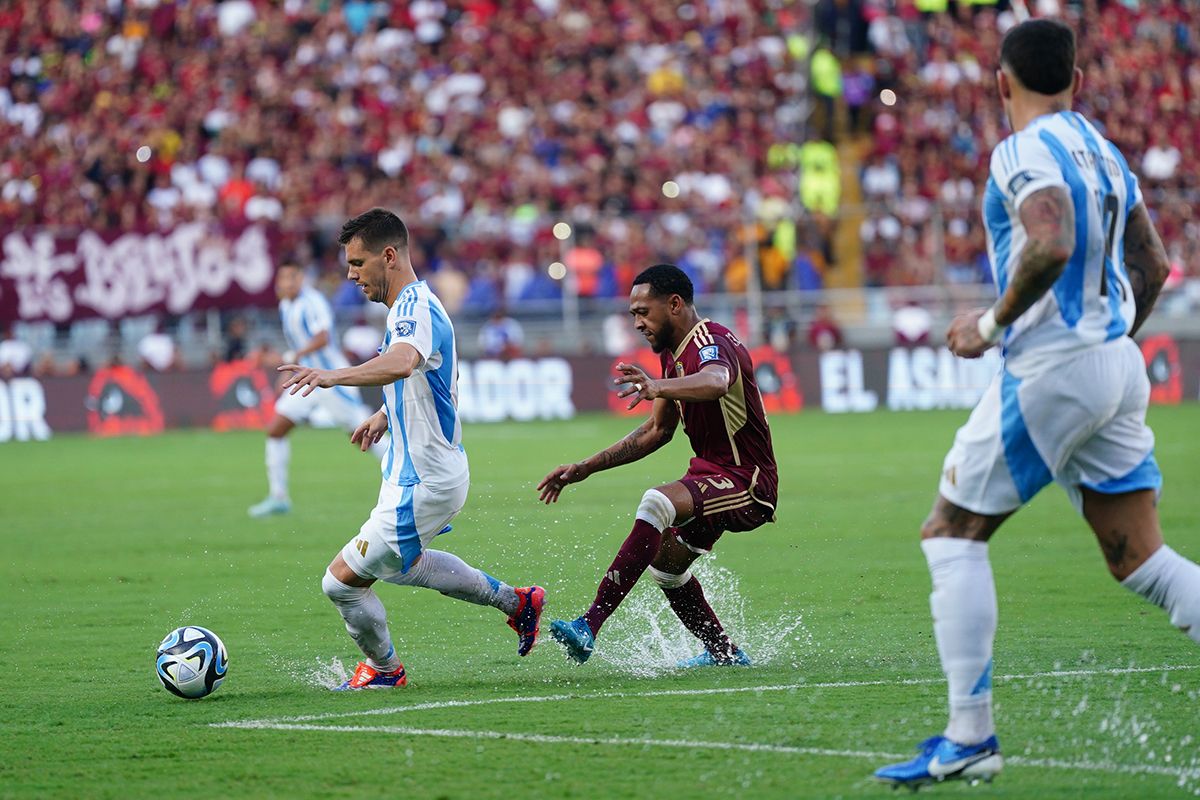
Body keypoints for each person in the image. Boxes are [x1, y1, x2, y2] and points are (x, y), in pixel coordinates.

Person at [874, 19, 1196, 788]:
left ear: (1000, 84)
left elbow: (1048, 243)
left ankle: (970, 737)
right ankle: (967, 736)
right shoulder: (1105, 150)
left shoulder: (1021, 150)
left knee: (950, 533)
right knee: (1141, 560)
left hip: (1053, 367)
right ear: (1076, 82)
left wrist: (987, 327)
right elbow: (1150, 265)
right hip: (1119, 362)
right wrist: (1107, 342)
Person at [278, 208, 544, 689]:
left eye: (358, 263)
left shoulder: (413, 308)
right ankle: (518, 602)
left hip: (423, 479)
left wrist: (331, 374)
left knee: (340, 583)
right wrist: (385, 416)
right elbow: (433, 373)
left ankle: (385, 671)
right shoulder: (414, 306)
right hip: (421, 471)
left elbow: (402, 362)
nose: (350, 274)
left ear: (389, 255)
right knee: (405, 567)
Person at [538, 264, 778, 667]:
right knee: (666, 566)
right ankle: (725, 653)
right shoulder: (673, 356)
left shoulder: (710, 341)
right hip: (711, 476)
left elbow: (717, 380)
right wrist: (585, 467)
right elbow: (655, 431)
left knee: (656, 503)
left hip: (746, 482)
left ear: (675, 304)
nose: (637, 323)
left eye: (643, 312)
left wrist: (657, 386)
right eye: (633, 314)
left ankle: (589, 625)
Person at [247, 262, 383, 518]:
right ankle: (279, 498)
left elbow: (323, 338)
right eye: (282, 278)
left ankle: (408, 474)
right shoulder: (286, 305)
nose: (286, 283)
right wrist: (292, 368)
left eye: (291, 277)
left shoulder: (313, 302)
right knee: (276, 429)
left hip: (331, 380)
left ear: (301, 279)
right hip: (307, 378)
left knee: (363, 434)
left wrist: (294, 355)